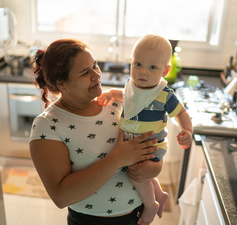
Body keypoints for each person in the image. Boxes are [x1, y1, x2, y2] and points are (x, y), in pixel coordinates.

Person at [29, 38, 164, 225]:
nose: (96, 75)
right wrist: (117, 159)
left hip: (138, 216)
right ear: (61, 83)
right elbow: (61, 197)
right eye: (85, 72)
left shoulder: (118, 103)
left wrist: (155, 168)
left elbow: (151, 146)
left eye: (95, 66)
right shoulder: (48, 125)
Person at [98, 34, 193, 225]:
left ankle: (151, 205)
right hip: (134, 143)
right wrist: (111, 93)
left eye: (152, 67)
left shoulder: (164, 95)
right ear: (131, 63)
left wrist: (188, 131)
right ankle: (159, 194)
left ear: (165, 71)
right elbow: (124, 95)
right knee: (139, 173)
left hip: (151, 145)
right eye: (138, 64)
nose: (143, 72)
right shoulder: (132, 87)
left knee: (137, 175)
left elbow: (182, 113)